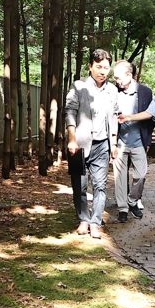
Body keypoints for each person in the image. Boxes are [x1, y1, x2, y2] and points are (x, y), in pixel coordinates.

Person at [65, 48, 118, 239]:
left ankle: (95, 222)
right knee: (79, 184)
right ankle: (83, 219)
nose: (103, 71)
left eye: (106, 67)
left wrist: (114, 143)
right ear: (90, 66)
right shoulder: (79, 86)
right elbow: (70, 112)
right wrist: (72, 139)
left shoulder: (112, 90)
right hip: (80, 143)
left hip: (102, 144)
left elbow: (113, 117)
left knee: (100, 185)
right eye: (99, 67)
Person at [112, 60, 155, 222]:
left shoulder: (145, 92)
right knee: (119, 178)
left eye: (118, 78)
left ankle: (132, 201)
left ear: (129, 75)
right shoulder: (114, 92)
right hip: (119, 143)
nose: (116, 81)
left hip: (139, 142)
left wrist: (148, 141)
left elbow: (151, 117)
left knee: (141, 175)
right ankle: (122, 208)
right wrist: (112, 143)